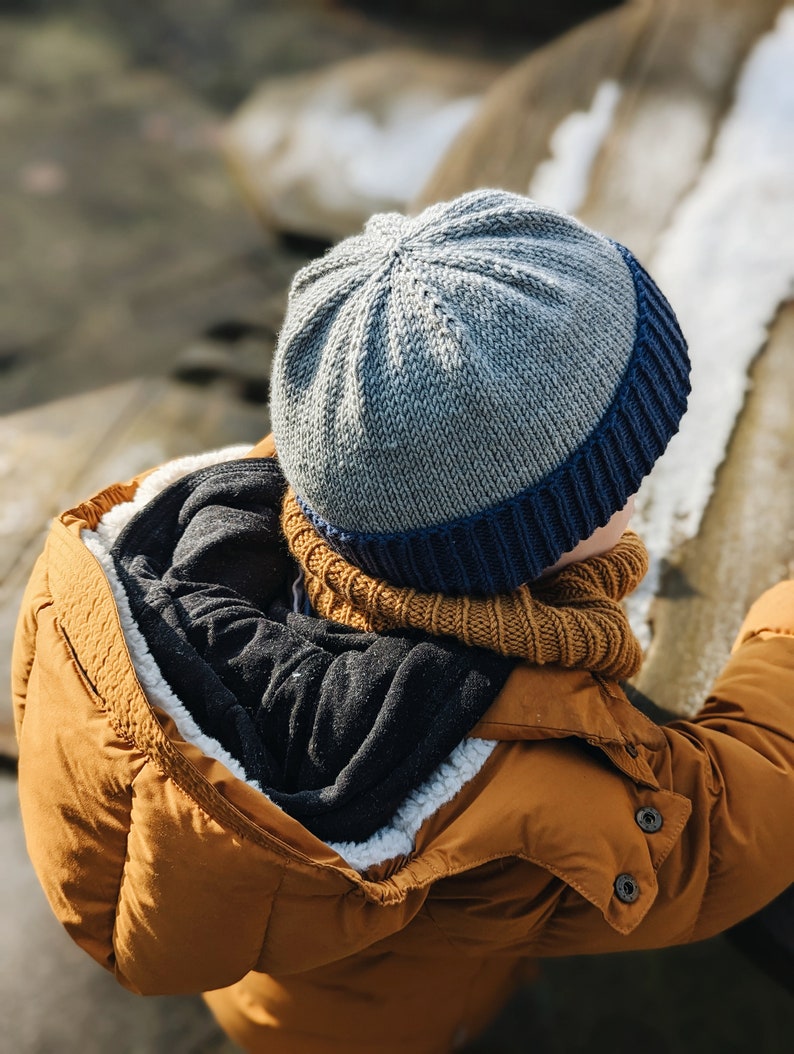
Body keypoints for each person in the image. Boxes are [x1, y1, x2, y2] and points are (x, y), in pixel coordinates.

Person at [12, 190, 794, 1053]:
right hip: (386, 1022)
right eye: (623, 479)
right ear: (535, 539)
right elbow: (713, 842)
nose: (641, 489)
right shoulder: (480, 770)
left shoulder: (229, 529)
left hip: (273, 956)